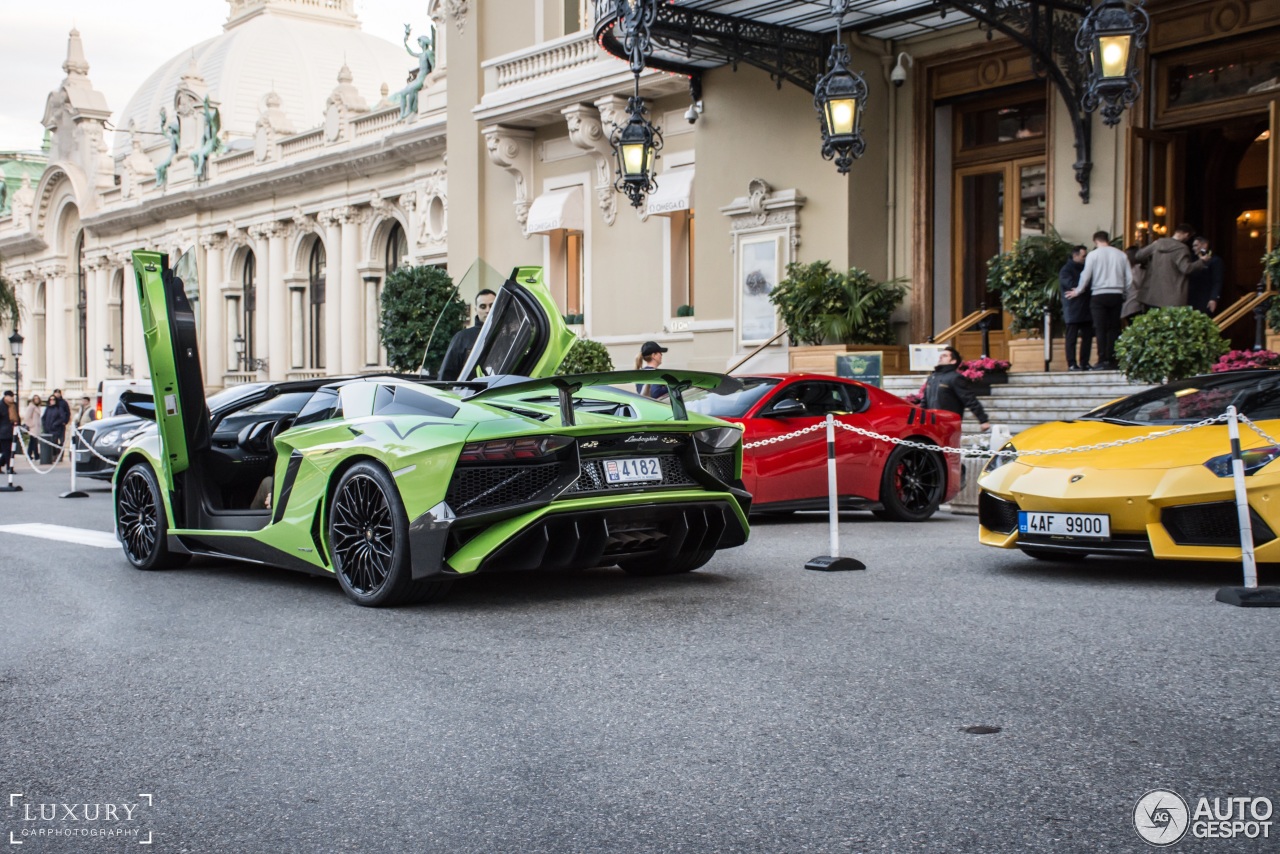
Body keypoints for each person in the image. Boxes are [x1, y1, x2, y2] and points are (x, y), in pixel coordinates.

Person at [1067, 231, 1132, 371]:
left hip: (1099, 294)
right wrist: (1125, 293)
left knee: (1100, 328)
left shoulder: (1093, 255)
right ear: (1108, 240)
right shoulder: (1121, 254)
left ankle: (1102, 359)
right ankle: (1113, 359)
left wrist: (1078, 290)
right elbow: (1129, 278)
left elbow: (1086, 275)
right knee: (1114, 327)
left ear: (1095, 241)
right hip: (1116, 293)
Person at [915, 347, 990, 431]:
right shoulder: (932, 378)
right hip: (931, 424)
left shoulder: (955, 378)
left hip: (948, 424)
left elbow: (969, 399)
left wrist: (983, 420)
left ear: (953, 361)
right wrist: (919, 420)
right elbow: (924, 402)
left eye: (945, 356)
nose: (941, 357)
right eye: (941, 355)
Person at [1134, 222, 1206, 308]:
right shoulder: (1182, 248)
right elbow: (1186, 268)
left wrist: (1149, 262)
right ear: (1186, 235)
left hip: (1152, 295)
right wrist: (1201, 261)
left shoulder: (1157, 244)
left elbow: (1139, 256)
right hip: (1173, 298)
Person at [438, 288, 496, 381]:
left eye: (492, 305)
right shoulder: (462, 337)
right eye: (483, 306)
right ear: (476, 309)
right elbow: (446, 375)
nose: (488, 310)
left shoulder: (510, 335)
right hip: (471, 394)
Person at [1059, 244, 1092, 371]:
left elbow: (1082, 286)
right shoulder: (1066, 270)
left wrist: (1080, 288)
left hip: (1086, 307)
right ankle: (1072, 364)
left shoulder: (1086, 268)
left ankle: (1085, 363)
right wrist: (1083, 286)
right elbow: (1070, 284)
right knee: (1071, 338)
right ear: (1075, 256)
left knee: (1087, 338)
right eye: (1083, 256)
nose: (1085, 258)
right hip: (1072, 309)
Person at [1188, 236, 1224, 315]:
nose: (1193, 248)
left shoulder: (1215, 260)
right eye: (1193, 246)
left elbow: (1217, 281)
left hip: (1205, 299)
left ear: (1204, 245)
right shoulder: (1192, 260)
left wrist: (1213, 298)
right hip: (1191, 299)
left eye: (1196, 245)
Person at [40, 388, 71, 465]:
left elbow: (65, 415)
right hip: (49, 428)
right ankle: (53, 455)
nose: (52, 400)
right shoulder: (48, 408)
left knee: (59, 442)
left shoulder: (62, 405)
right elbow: (44, 417)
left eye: (53, 399)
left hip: (58, 428)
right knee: (52, 443)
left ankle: (59, 456)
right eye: (51, 399)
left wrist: (62, 422)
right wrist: (44, 425)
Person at [1122, 245, 1147, 321]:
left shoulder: (1125, 269)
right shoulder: (1139, 269)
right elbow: (1140, 283)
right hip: (1136, 303)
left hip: (1128, 304)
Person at [23, 393, 43, 460]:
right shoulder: (31, 407)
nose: (36, 400)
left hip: (37, 427)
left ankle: (29, 454)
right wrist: (32, 424)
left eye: (37, 399)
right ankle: (35, 455)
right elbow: (26, 417)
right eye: (35, 399)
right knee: (33, 441)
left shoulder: (38, 407)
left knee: (33, 441)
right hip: (33, 428)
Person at [0, 390, 16, 474]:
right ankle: (10, 469)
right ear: (5, 397)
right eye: (10, 396)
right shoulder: (1, 405)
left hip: (13, 431)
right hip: (3, 432)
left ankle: (2, 464)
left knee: (11, 451)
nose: (12, 398)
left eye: (12, 396)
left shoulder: (13, 405)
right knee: (7, 451)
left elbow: (17, 416)